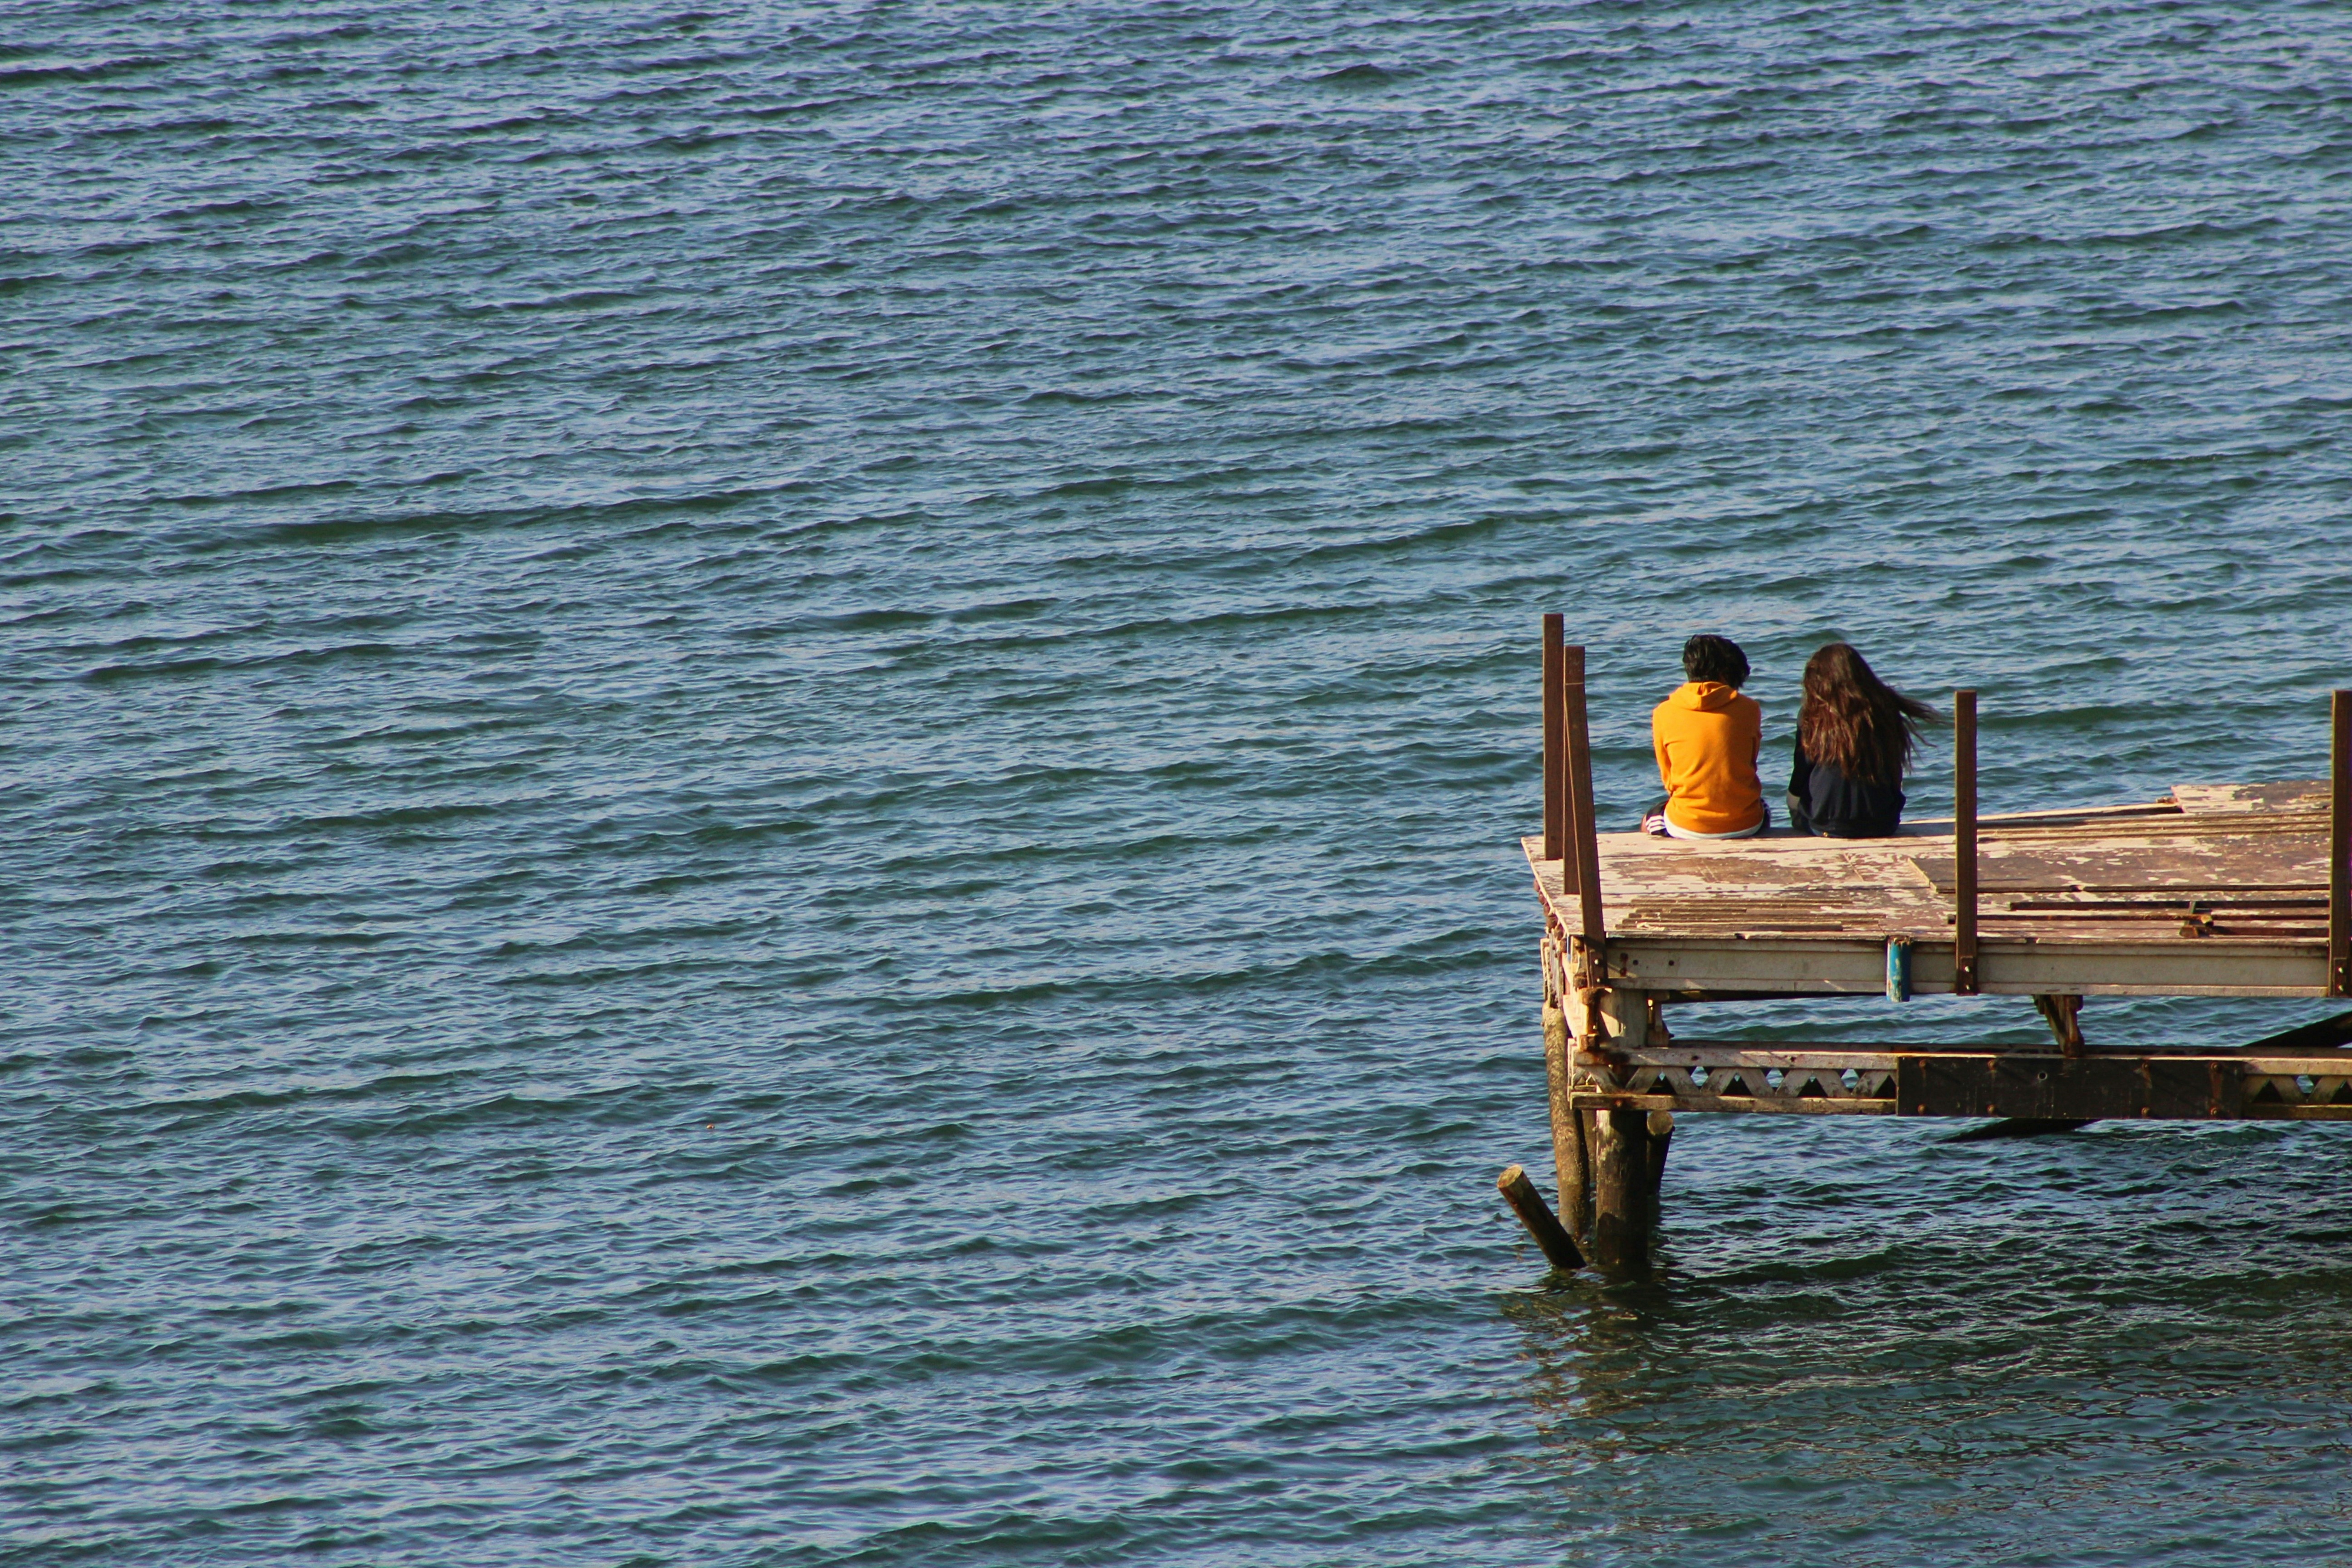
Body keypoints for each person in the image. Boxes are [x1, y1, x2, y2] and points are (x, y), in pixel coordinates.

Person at [1786, 642, 1939, 838]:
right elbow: (1895, 772)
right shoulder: (1886, 708)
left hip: (1826, 825)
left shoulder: (1812, 715)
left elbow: (1801, 773)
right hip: (1883, 823)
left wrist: (1795, 806)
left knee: (1798, 808)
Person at [1643, 634, 1768, 840]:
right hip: (1745, 823)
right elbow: (1749, 764)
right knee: (1762, 807)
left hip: (1687, 825)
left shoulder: (1663, 713)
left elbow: (1669, 779)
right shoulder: (1750, 709)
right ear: (1726, 674)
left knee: (1650, 818)